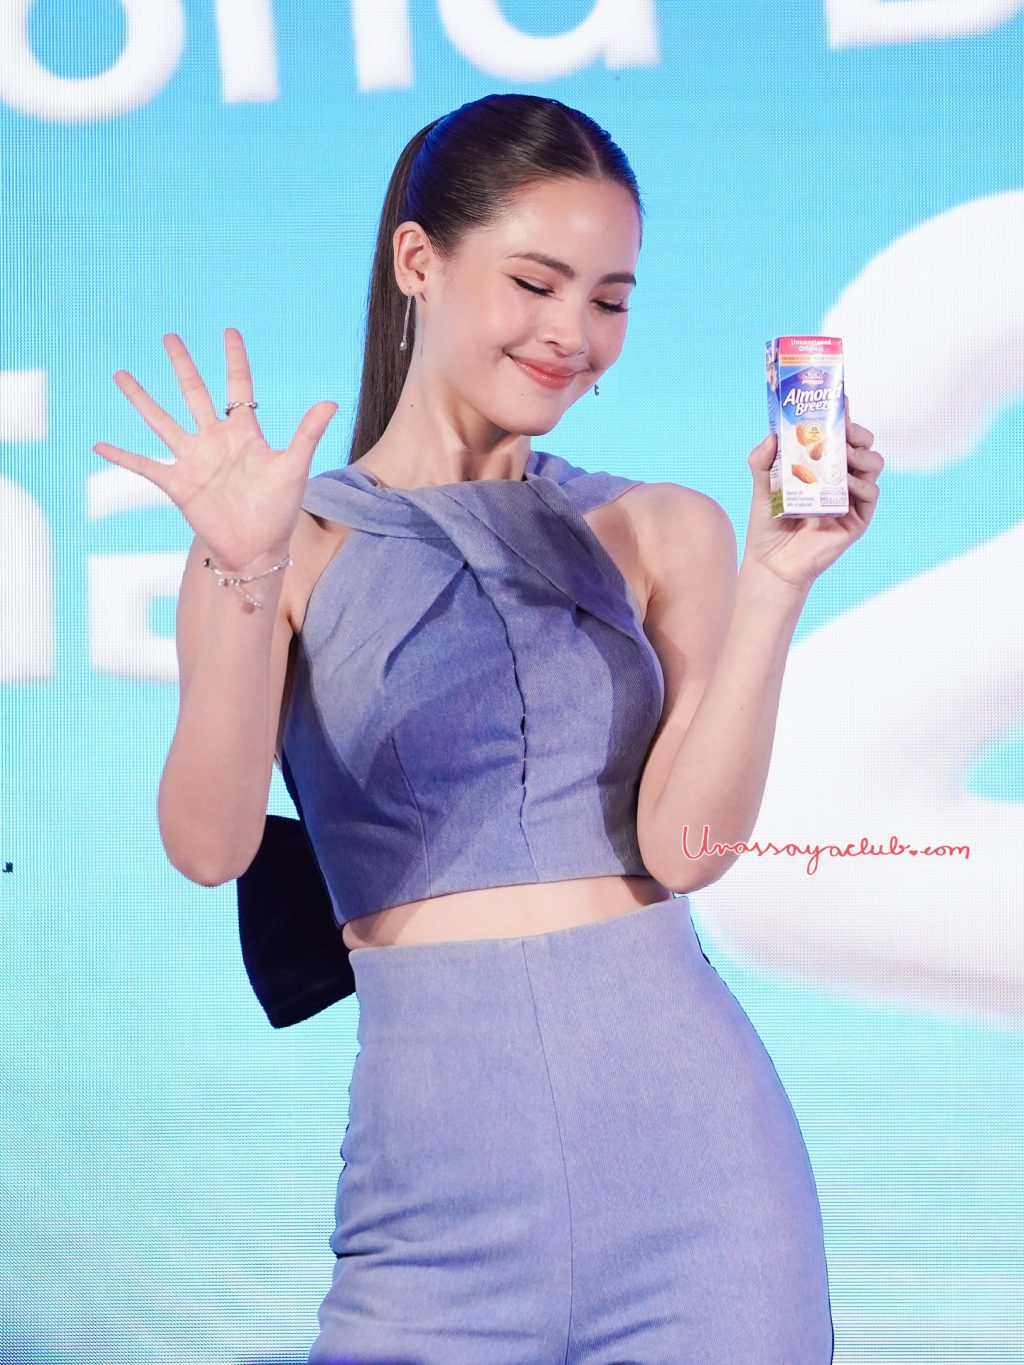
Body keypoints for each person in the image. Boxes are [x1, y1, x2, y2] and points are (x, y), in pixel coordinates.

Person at [94, 93, 883, 1364]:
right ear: (419, 261)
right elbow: (206, 843)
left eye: (610, 300)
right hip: (433, 1200)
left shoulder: (661, 527)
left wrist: (779, 582)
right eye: (535, 283)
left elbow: (688, 853)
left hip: (702, 1184)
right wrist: (243, 566)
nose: (574, 333)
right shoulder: (291, 540)